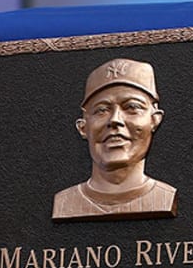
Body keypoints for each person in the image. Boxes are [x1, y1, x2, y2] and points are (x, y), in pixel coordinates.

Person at [52, 57, 178, 222]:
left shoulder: (165, 197)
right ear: (83, 127)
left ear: (154, 120)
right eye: (102, 110)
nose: (115, 120)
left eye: (132, 107)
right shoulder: (64, 202)